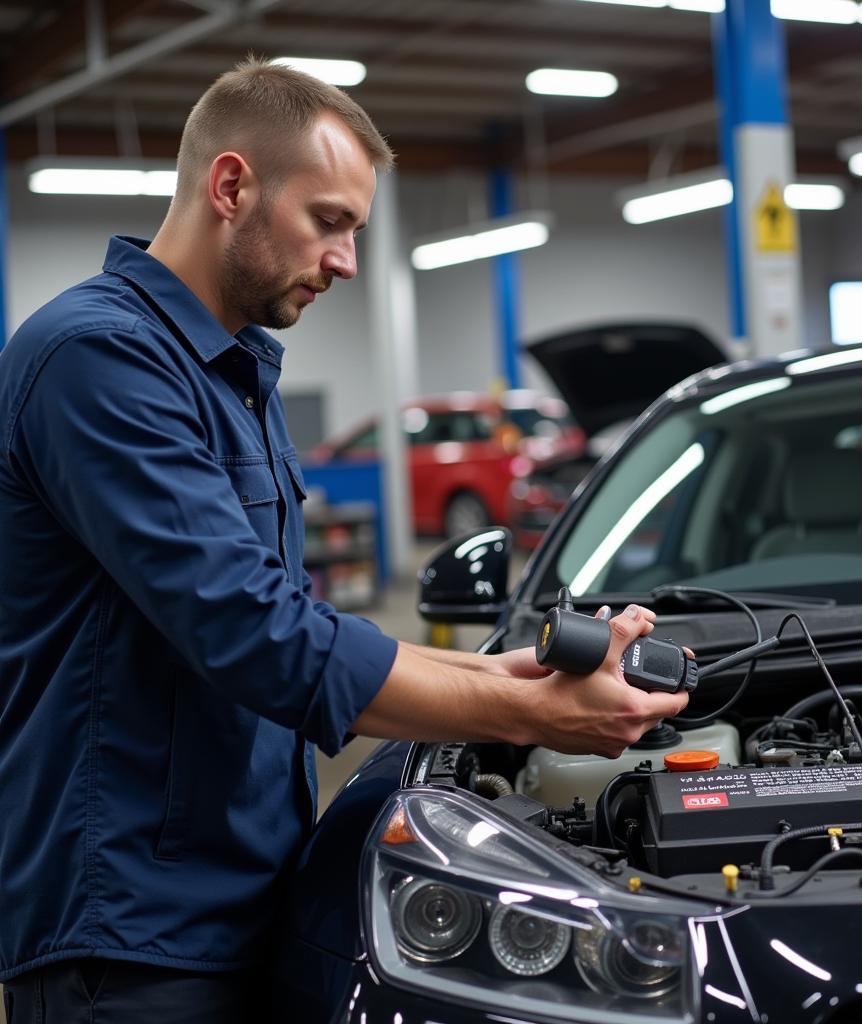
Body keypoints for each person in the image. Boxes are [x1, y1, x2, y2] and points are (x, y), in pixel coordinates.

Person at [0, 58, 689, 1023]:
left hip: (245, 887)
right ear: (231, 185)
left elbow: (298, 618)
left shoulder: (232, 374)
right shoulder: (97, 358)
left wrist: (519, 679)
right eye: (329, 221)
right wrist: (533, 719)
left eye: (355, 230)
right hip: (131, 927)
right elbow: (255, 635)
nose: (347, 261)